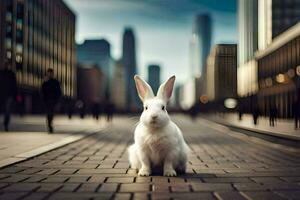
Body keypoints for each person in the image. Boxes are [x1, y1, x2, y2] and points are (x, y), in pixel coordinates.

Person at [41, 68, 62, 133]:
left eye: (51, 73)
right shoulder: (45, 82)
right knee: (48, 113)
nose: (50, 74)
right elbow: (42, 91)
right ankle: (49, 125)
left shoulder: (55, 82)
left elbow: (59, 92)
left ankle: (50, 124)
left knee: (51, 113)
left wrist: (58, 100)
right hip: (47, 100)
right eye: (49, 73)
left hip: (53, 100)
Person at [0, 65, 17, 131]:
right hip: (5, 95)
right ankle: (6, 123)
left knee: (7, 110)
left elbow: (14, 85)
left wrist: (14, 95)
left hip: (8, 95)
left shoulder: (11, 74)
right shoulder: (3, 73)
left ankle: (6, 123)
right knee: (7, 110)